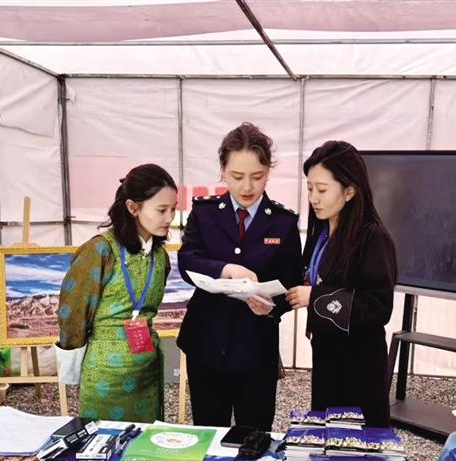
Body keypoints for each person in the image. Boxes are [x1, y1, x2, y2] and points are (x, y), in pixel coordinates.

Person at [177, 122, 303, 431]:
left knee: (255, 436)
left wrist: (271, 306)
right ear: (222, 170)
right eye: (237, 176)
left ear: (268, 171)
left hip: (256, 349)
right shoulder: (205, 213)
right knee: (209, 433)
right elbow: (187, 260)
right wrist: (225, 270)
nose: (247, 186)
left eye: (257, 176)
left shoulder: (284, 223)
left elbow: (291, 282)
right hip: (205, 344)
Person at [55, 164, 178, 422]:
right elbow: (73, 311)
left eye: (173, 209)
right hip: (105, 373)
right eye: (161, 210)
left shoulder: (160, 256)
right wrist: (72, 363)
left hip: (146, 369)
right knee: (104, 440)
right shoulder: (100, 251)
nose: (169, 218)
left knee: (145, 440)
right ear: (133, 208)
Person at [286, 141, 397, 427]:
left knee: (355, 439)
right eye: (310, 188)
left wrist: (316, 298)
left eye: (322, 190)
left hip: (358, 364)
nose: (314, 198)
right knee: (327, 432)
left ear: (349, 191)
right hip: (326, 356)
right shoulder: (321, 231)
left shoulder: (372, 238)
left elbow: (378, 307)